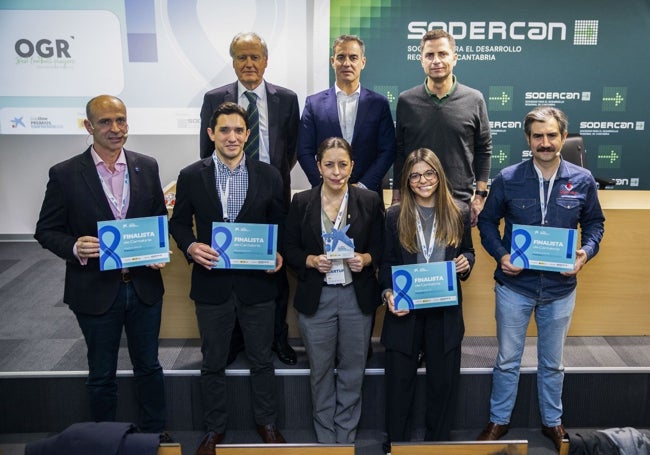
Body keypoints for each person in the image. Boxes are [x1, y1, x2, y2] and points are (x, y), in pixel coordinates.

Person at [34, 95, 168, 437]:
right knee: (101, 371)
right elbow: (46, 230)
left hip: (143, 287)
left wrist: (156, 249)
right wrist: (74, 246)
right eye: (106, 122)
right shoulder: (65, 174)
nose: (115, 129)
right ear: (88, 126)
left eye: (121, 120)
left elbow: (156, 218)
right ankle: (106, 438)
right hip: (94, 289)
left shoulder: (146, 165)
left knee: (149, 366)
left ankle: (155, 433)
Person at [476, 107, 605, 452]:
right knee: (506, 359)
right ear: (528, 139)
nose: (544, 143)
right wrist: (502, 254)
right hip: (514, 288)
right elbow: (487, 222)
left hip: (560, 290)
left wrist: (585, 253)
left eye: (551, 135)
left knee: (553, 362)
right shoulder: (508, 177)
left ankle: (552, 421)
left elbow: (595, 224)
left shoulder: (582, 180)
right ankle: (499, 420)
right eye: (537, 136)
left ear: (564, 137)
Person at [169, 102, 287, 453]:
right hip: (212, 284)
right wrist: (190, 246)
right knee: (213, 361)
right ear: (211, 134)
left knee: (262, 360)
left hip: (257, 284)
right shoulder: (191, 175)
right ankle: (214, 428)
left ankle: (267, 423)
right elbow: (177, 223)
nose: (231, 136)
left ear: (248, 135)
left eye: (238, 130)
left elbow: (280, 223)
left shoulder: (270, 175)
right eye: (224, 130)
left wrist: (277, 251)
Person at [199, 32, 299, 365]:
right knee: (232, 271)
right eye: (242, 57)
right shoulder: (215, 98)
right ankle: (235, 341)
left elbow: (292, 149)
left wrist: (268, 182)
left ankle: (277, 339)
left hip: (271, 198)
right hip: (227, 197)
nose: (249, 63)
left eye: (255, 56)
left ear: (266, 61)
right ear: (233, 62)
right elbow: (205, 149)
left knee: (274, 267)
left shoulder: (286, 98)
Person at [284, 137, 384, 443]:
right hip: (318, 298)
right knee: (321, 371)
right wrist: (310, 260)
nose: (336, 171)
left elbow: (382, 247)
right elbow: (288, 248)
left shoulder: (368, 201)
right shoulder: (302, 202)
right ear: (318, 167)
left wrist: (366, 259)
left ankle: (346, 436)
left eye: (343, 164)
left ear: (352, 166)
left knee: (353, 371)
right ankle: (327, 439)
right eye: (329, 164)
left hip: (356, 297)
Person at [380, 148, 475, 451]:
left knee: (442, 388)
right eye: (415, 175)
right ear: (407, 180)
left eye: (429, 173)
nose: (423, 180)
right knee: (399, 389)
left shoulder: (458, 211)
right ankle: (396, 444)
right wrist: (388, 293)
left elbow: (468, 251)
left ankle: (437, 446)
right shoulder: (395, 215)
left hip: (444, 313)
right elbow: (385, 263)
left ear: (439, 175)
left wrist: (466, 264)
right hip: (405, 312)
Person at [393, 29, 491, 226]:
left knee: (459, 258)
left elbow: (484, 149)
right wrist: (397, 195)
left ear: (454, 58)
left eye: (443, 54)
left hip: (458, 201)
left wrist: (479, 196)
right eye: (429, 55)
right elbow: (400, 152)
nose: (436, 60)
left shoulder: (475, 99)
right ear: (421, 60)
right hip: (415, 200)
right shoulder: (406, 101)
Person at [297, 34, 396, 196]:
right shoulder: (313, 104)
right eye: (341, 57)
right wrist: (323, 184)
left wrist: (364, 186)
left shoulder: (379, 104)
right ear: (332, 61)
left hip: (367, 197)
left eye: (353, 57)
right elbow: (304, 150)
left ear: (362, 62)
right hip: (324, 196)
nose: (347, 63)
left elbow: (388, 150)